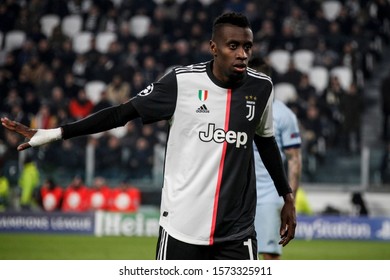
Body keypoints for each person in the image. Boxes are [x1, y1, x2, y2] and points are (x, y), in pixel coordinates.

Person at [1, 12, 296, 260]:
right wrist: (54, 133)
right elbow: (120, 113)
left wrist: (287, 196)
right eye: (233, 45)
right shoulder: (181, 83)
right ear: (213, 47)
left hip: (237, 232)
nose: (243, 54)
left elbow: (266, 140)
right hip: (182, 227)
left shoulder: (262, 88)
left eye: (248, 47)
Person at [249, 57, 302, 260]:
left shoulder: (283, 114)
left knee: (269, 257)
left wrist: (291, 200)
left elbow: (294, 160)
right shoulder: (239, 109)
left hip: (269, 198)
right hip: (239, 196)